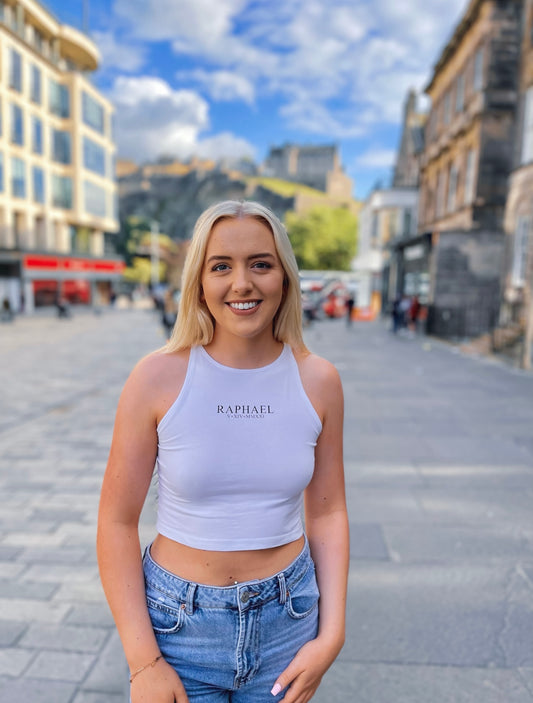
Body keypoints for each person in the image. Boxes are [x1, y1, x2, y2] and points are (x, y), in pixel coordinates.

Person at [97, 200, 349, 703]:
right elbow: (116, 523)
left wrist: (332, 635)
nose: (242, 284)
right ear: (199, 282)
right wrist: (142, 661)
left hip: (288, 620)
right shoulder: (156, 377)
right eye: (221, 266)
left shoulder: (318, 380)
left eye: (261, 263)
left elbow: (328, 513)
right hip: (177, 629)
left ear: (284, 277)